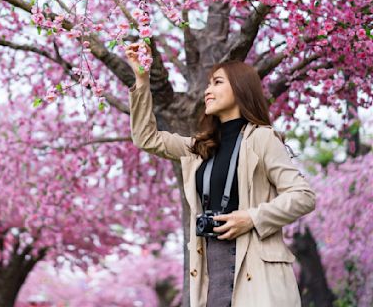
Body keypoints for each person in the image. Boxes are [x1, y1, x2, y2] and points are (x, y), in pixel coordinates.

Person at [125, 43, 316, 307]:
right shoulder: (200, 147)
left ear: (240, 88)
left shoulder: (262, 138)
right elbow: (146, 138)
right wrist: (142, 80)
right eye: (207, 84)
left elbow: (303, 195)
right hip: (210, 266)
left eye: (216, 83)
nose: (207, 90)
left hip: (256, 270)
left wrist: (251, 217)